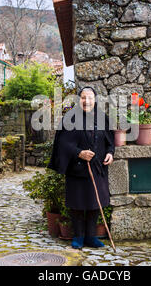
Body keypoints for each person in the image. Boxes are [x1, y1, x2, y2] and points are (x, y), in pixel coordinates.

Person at [47, 86, 115, 249]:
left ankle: (91, 237)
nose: (87, 101)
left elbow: (109, 140)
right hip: (76, 169)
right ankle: (78, 237)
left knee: (94, 203)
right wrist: (79, 153)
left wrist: (110, 153)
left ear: (95, 100)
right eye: (83, 98)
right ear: (79, 100)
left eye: (90, 98)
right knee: (77, 203)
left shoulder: (102, 118)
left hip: (98, 167)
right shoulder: (70, 118)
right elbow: (62, 143)